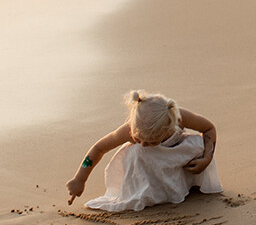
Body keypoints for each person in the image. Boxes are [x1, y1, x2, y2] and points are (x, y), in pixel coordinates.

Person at [66, 90, 222, 211]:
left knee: (199, 144)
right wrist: (80, 179)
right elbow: (99, 148)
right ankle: (149, 192)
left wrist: (207, 158)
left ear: (169, 127)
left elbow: (209, 128)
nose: (144, 143)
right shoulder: (128, 131)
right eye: (139, 139)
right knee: (139, 153)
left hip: (173, 155)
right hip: (148, 164)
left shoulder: (178, 118)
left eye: (152, 141)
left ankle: (189, 184)